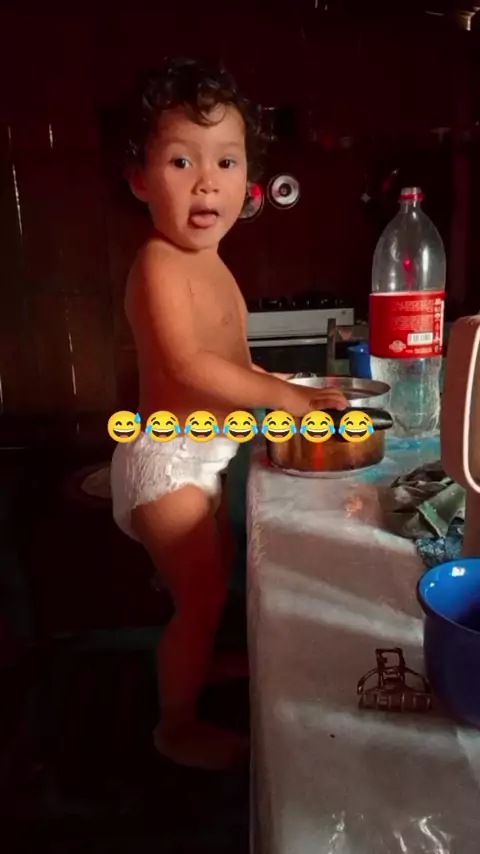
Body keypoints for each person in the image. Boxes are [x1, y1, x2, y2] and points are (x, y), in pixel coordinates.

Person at [110, 57, 348, 769]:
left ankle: (201, 662)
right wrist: (285, 398)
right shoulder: (157, 263)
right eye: (181, 160)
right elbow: (187, 366)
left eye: (225, 161)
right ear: (140, 180)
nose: (206, 180)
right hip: (165, 462)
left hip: (204, 456)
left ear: (249, 186)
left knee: (214, 582)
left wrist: (287, 385)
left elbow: (234, 363)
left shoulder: (215, 268)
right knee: (202, 597)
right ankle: (175, 724)